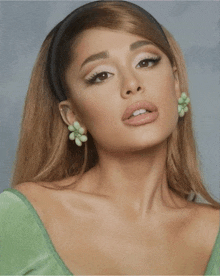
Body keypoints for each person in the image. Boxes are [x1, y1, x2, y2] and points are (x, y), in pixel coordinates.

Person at [0, 0, 219, 275]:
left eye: (146, 61)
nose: (132, 84)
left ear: (176, 84)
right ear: (72, 115)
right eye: (101, 75)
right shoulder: (20, 218)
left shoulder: (215, 231)